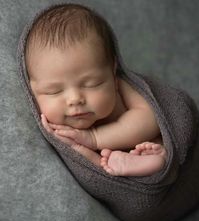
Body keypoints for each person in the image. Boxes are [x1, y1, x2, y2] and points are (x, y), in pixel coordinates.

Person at [25, 3, 167, 177]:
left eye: (91, 84)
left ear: (112, 72)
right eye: (54, 91)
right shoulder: (57, 129)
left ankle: (158, 161)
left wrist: (93, 138)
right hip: (106, 163)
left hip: (147, 143)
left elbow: (150, 119)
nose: (75, 99)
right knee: (89, 162)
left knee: (161, 145)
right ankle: (119, 166)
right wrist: (77, 146)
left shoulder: (121, 86)